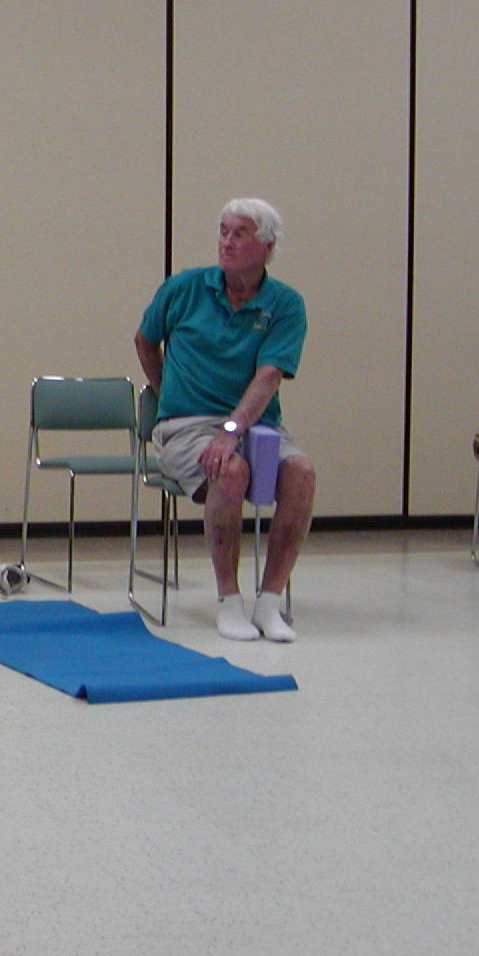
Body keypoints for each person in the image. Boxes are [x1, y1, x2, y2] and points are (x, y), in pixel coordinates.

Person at [133, 198, 316, 642]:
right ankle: (229, 601)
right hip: (187, 424)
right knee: (227, 470)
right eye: (223, 231)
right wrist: (169, 396)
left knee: (300, 473)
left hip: (253, 423)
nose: (227, 242)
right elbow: (144, 340)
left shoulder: (285, 304)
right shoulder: (183, 289)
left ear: (267, 245)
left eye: (240, 234)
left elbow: (269, 376)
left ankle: (269, 603)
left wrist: (232, 430)